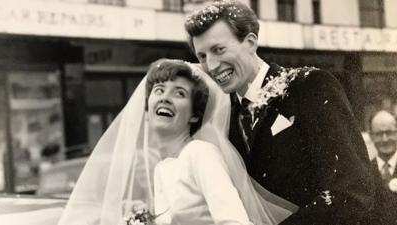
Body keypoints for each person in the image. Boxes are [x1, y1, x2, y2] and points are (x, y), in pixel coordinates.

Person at [184, 1, 376, 224]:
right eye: (202, 56)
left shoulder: (309, 86)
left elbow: (353, 191)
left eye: (219, 50)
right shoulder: (221, 117)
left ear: (250, 42)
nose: (212, 65)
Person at [58, 58, 295, 225]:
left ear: (194, 115)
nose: (166, 98)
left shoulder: (200, 154)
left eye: (179, 93)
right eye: (159, 90)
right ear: (147, 111)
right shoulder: (163, 167)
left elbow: (234, 221)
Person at [369, 110, 397, 225]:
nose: (385, 139)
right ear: (371, 136)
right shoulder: (364, 171)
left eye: (389, 132)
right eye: (379, 134)